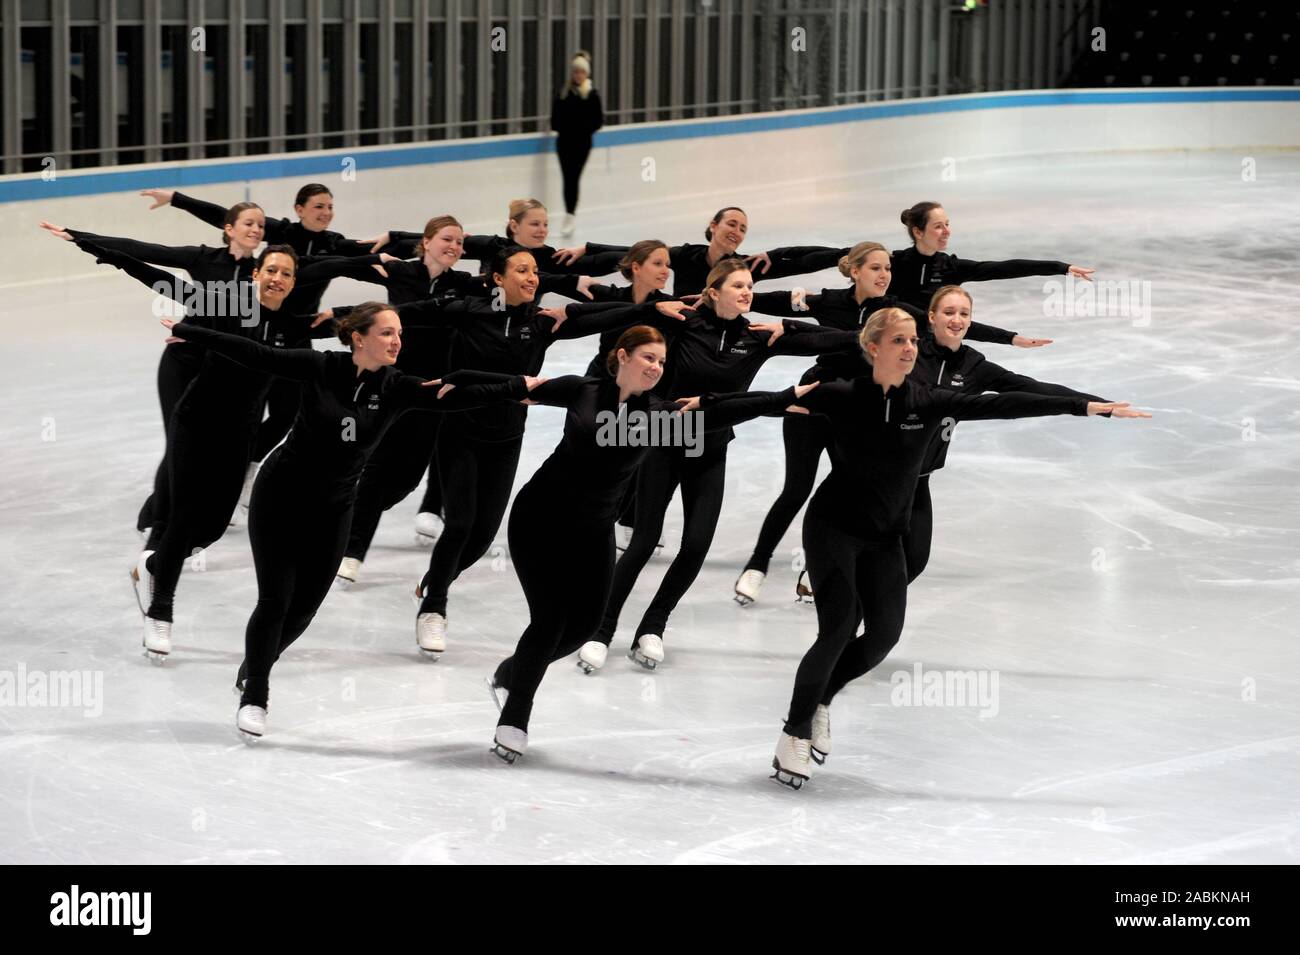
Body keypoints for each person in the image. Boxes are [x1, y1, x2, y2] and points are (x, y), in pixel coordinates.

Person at [770, 306, 1149, 789]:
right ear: (873, 348)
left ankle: (821, 699)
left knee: (883, 636)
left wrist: (1087, 406)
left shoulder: (928, 400)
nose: (910, 349)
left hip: (887, 532)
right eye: (900, 341)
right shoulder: (840, 395)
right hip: (833, 528)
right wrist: (703, 405)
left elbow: (1006, 403)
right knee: (839, 625)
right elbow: (767, 400)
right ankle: (794, 732)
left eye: (912, 341)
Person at [160, 302, 523, 739]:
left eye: (399, 333)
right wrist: (191, 330)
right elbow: (256, 354)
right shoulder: (320, 366)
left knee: (304, 609)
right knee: (275, 601)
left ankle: (253, 667)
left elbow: (455, 391)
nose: (397, 341)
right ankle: (256, 692)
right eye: (387, 333)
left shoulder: (396, 386)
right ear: (358, 337)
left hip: (333, 508)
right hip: (280, 495)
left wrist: (522, 386)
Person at [550, 50, 604, 238]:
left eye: (581, 72)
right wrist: (568, 126)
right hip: (564, 142)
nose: (578, 75)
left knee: (574, 177)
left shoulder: (591, 95)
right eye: (575, 72)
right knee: (568, 178)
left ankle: (570, 214)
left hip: (582, 143)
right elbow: (554, 121)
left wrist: (579, 127)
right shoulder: (563, 94)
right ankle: (569, 214)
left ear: (586, 73)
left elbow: (597, 122)